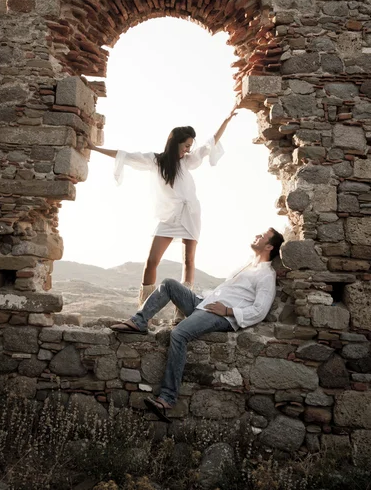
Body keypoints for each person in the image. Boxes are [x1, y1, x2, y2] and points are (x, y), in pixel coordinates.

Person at [111, 227, 284, 423]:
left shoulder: (266, 275)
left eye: (262, 236)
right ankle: (139, 321)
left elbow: (260, 311)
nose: (257, 235)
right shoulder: (247, 265)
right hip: (203, 304)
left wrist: (227, 311)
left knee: (179, 334)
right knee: (168, 284)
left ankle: (167, 399)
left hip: (221, 315)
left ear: (269, 246)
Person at [86, 106, 237, 317]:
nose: (188, 149)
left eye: (190, 146)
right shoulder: (156, 161)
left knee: (189, 261)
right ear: (175, 142)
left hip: (191, 213)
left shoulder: (188, 161)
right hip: (169, 216)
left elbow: (209, 143)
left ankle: (181, 312)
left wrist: (226, 121)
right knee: (151, 262)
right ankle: (144, 310)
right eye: (186, 145)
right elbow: (125, 155)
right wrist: (94, 148)